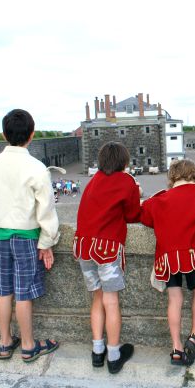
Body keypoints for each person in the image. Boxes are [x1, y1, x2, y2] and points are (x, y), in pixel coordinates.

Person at [0, 109, 60, 362]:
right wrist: (47, 242)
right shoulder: (36, 168)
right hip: (26, 236)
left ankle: (5, 342)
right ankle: (29, 345)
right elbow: (46, 210)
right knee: (23, 292)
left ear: (3, 134)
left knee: (3, 291)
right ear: (31, 135)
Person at [140, 159, 195, 366]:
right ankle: (194, 337)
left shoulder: (159, 200)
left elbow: (146, 217)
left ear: (173, 177)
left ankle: (176, 348)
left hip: (168, 257)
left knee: (174, 300)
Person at [73, 141, 141, 374]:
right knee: (111, 301)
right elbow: (132, 214)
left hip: (84, 245)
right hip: (106, 247)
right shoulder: (126, 181)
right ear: (124, 162)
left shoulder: (93, 181)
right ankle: (114, 355)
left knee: (97, 299)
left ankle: (97, 351)